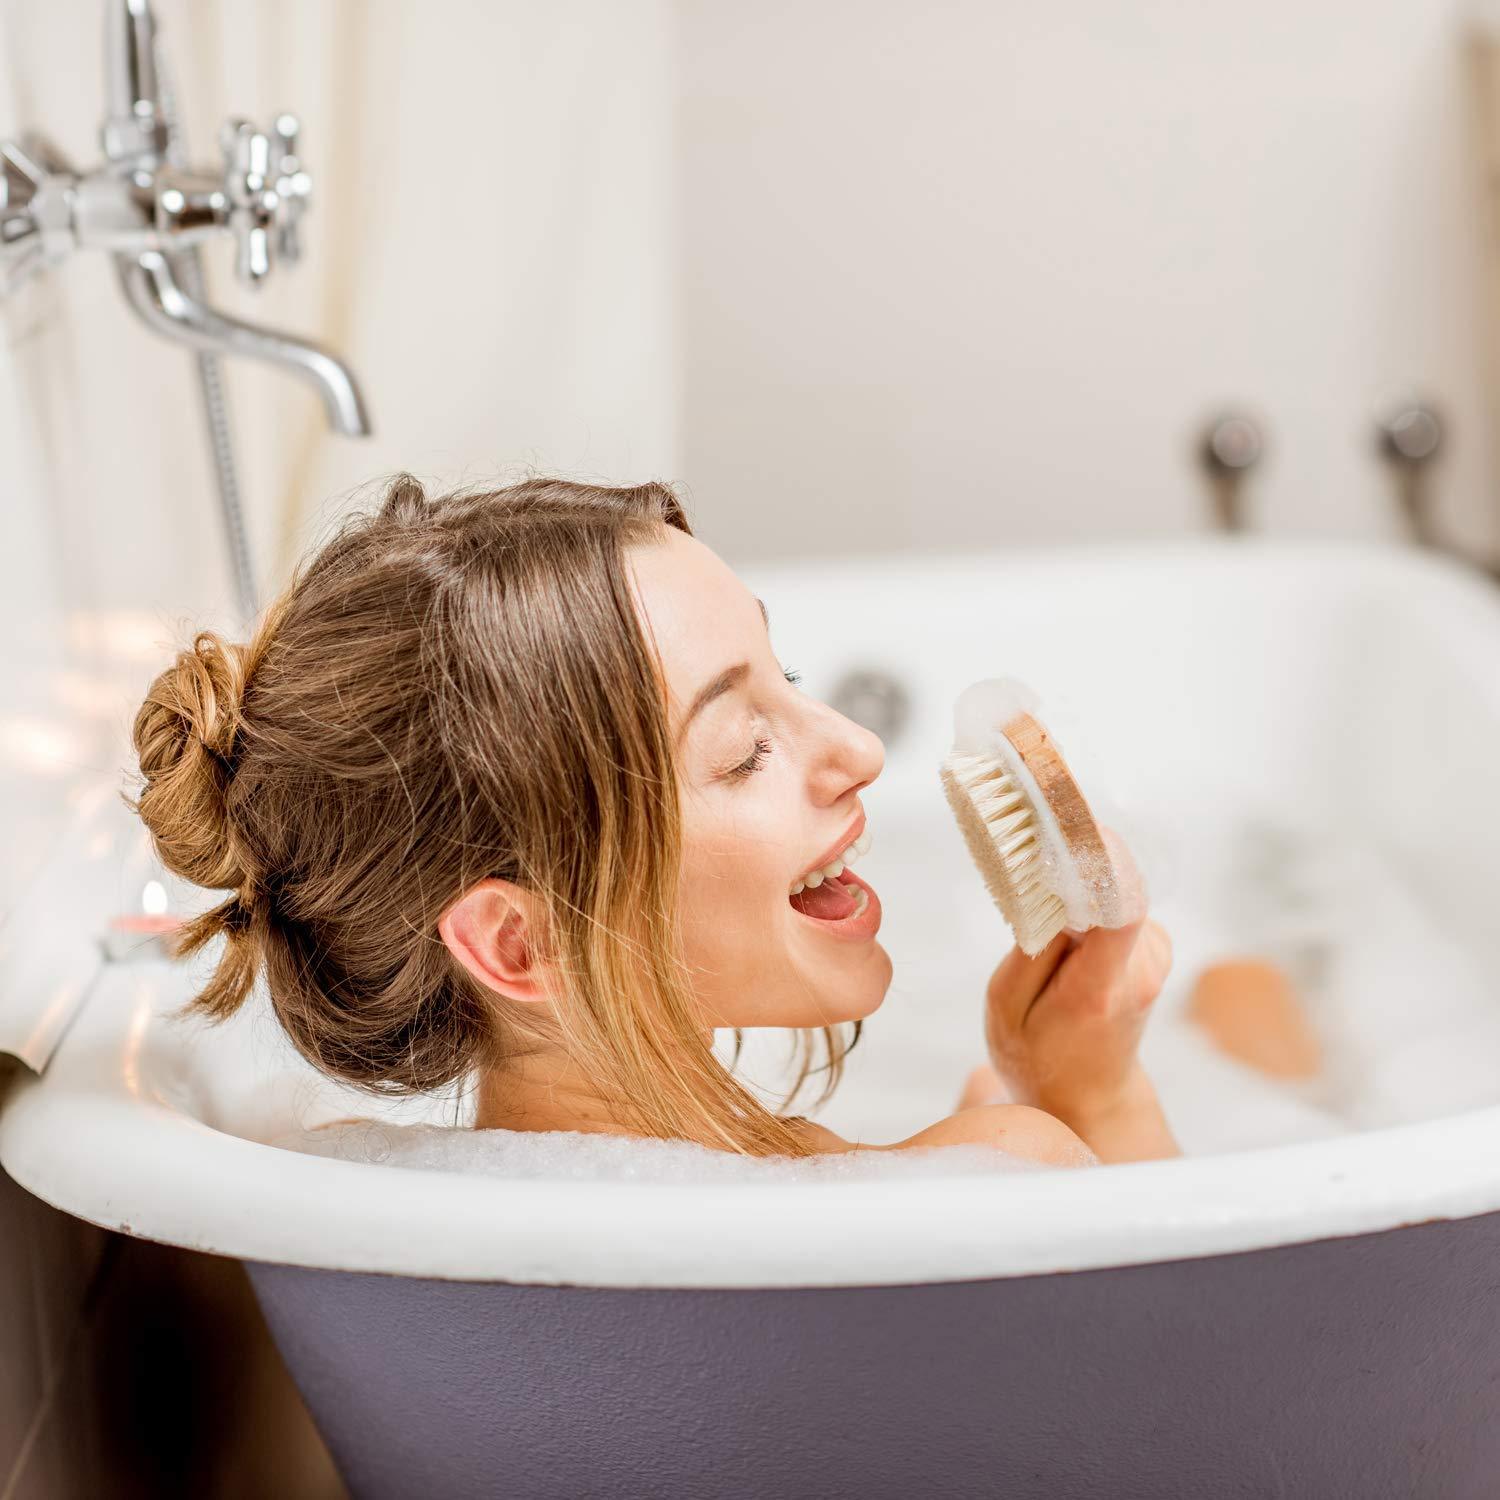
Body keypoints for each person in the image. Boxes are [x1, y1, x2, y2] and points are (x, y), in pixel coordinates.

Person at [130, 474, 1177, 1167]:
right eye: (745, 750)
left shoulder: (387, 1203)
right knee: (1250, 995)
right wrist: (1089, 1088)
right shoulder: (1000, 1181)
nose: (857, 748)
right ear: (520, 941)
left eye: (791, 676)